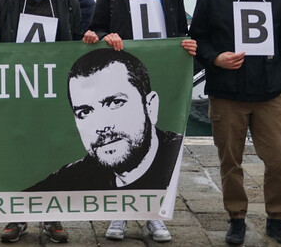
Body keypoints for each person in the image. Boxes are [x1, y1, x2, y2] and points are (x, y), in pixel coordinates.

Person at [83, 0, 196, 243]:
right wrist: (106, 37)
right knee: (124, 141)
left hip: (164, 73)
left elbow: (180, 29)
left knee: (158, 142)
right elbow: (95, 30)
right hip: (124, 77)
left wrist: (187, 46)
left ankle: (153, 214)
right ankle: (120, 212)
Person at [190, 0, 281, 246]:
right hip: (227, 94)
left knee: (279, 158)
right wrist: (216, 59)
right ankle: (236, 218)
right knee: (230, 162)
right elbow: (197, 41)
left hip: (271, 93)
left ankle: (276, 218)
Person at [0, 0, 82, 243]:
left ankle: (53, 215)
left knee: (53, 151)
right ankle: (17, 215)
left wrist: (90, 38)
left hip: (53, 91)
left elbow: (76, 39)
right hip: (17, 90)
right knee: (18, 152)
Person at [27, 48, 183, 192]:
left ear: (150, 106)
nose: (102, 125)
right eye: (85, 112)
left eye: (115, 103)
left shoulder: (174, 158)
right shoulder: (80, 174)